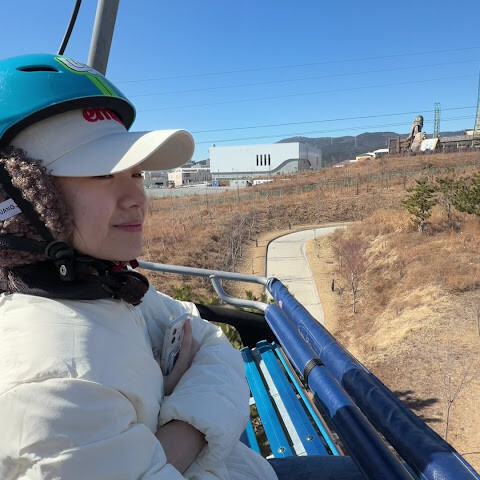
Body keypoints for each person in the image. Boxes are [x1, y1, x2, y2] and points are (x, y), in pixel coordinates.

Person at [0, 53, 278, 480]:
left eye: (136, 175)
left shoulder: (108, 289)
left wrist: (170, 433)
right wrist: (187, 416)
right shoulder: (46, 380)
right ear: (21, 201)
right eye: (102, 174)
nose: (136, 198)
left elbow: (213, 341)